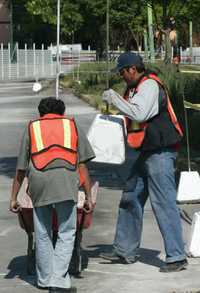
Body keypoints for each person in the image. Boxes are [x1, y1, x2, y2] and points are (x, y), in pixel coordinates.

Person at [100, 52, 188, 272]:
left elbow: (139, 114)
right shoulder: (135, 88)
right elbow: (134, 119)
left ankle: (176, 256)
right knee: (131, 196)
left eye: (122, 72)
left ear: (132, 69)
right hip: (144, 151)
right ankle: (124, 249)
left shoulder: (149, 85)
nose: (121, 77)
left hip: (160, 152)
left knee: (163, 202)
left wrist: (114, 98)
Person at [10, 97, 95, 293]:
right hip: (65, 181)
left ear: (41, 113)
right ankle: (58, 280)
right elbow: (82, 165)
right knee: (66, 232)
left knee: (42, 232)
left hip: (39, 182)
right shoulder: (71, 125)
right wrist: (89, 197)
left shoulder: (32, 127)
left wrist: (14, 197)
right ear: (62, 113)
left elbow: (21, 168)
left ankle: (45, 279)